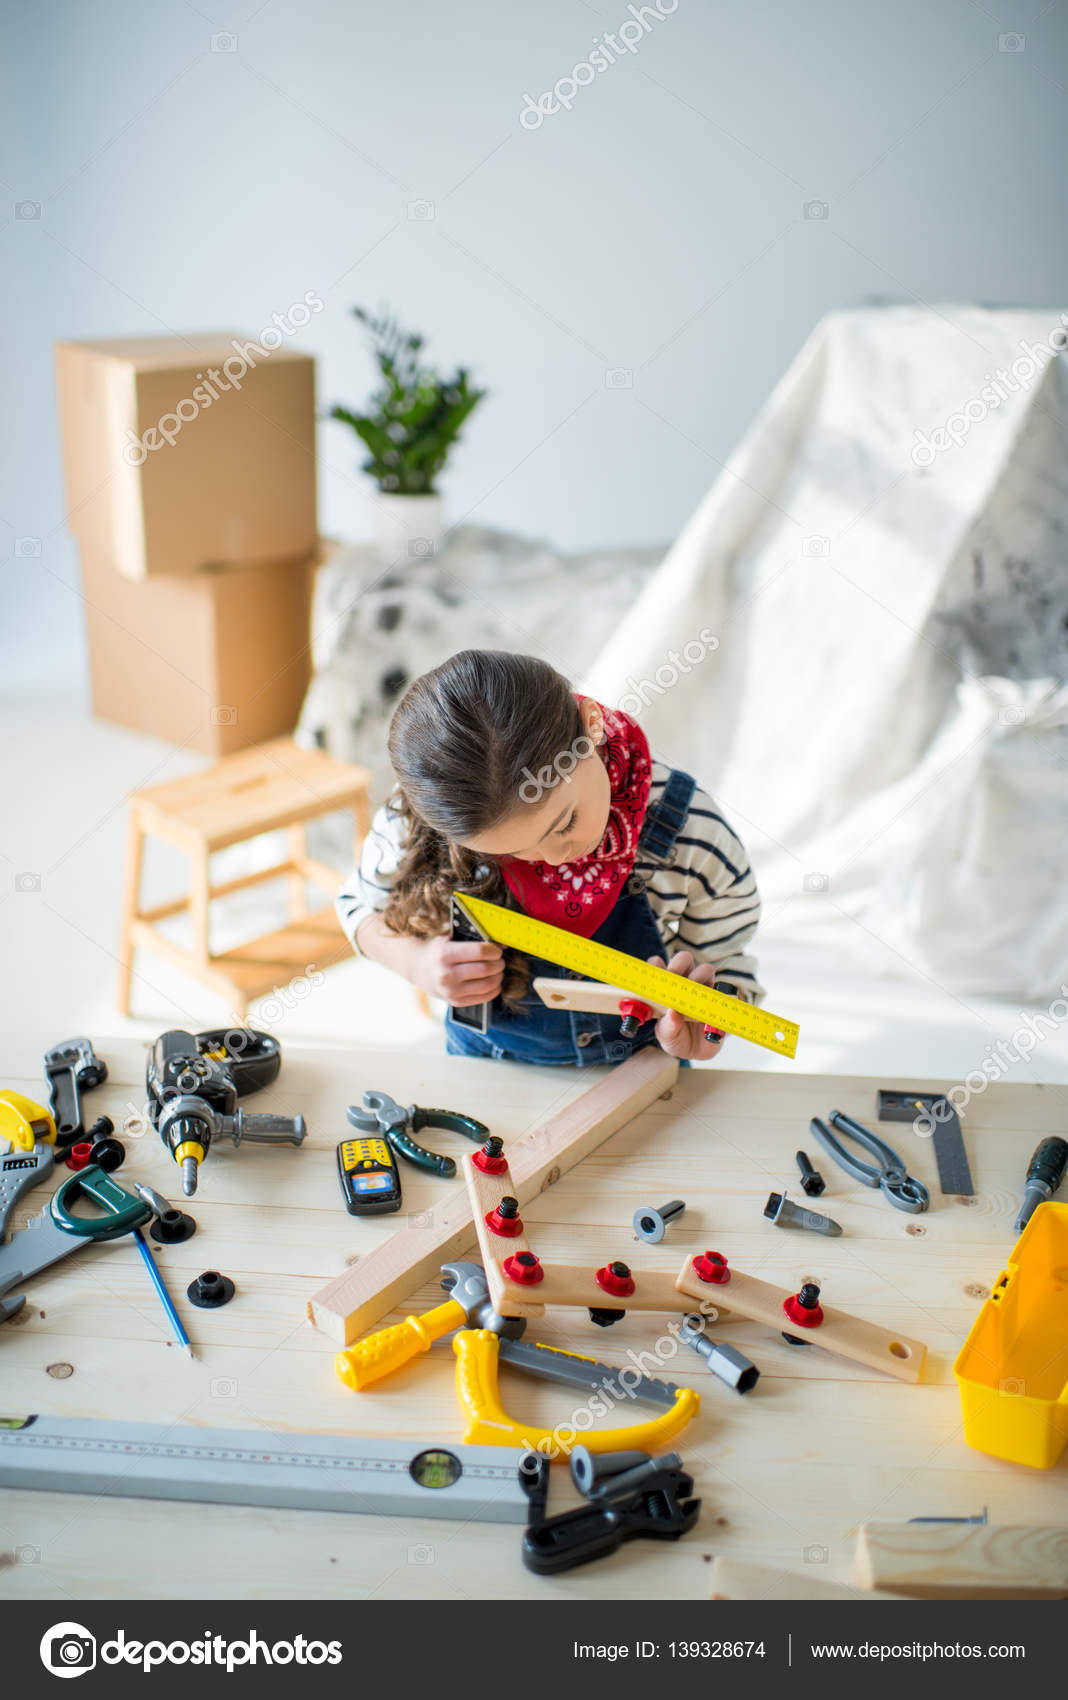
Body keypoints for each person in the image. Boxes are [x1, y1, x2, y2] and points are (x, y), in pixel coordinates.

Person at [336, 649, 763, 1066]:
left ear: (591, 725)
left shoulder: (689, 830)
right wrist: (415, 961)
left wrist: (708, 1025)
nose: (556, 859)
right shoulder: (417, 820)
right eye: (511, 851)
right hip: (484, 1068)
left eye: (563, 822)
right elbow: (357, 907)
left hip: (643, 1070)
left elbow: (727, 965)